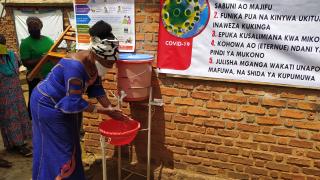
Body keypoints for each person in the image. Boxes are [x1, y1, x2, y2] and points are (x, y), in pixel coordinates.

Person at [30, 20, 130, 180]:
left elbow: (97, 88)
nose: (109, 67)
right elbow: (74, 102)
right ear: (95, 54)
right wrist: (104, 111)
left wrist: (111, 109)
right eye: (107, 63)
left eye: (112, 63)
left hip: (64, 103)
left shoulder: (93, 66)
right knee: (59, 148)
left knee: (72, 143)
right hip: (46, 104)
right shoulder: (74, 67)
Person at [0, 34, 32, 157]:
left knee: (20, 117)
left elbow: (18, 68)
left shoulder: (13, 56)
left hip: (17, 94)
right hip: (4, 97)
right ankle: (16, 144)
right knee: (9, 119)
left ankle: (20, 142)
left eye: (2, 44)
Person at [20, 16, 54, 119]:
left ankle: (46, 115)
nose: (32, 30)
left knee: (48, 97)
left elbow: (53, 54)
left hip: (50, 75)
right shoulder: (25, 43)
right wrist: (42, 58)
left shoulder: (48, 40)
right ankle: (32, 118)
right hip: (35, 77)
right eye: (30, 28)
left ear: (40, 27)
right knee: (34, 97)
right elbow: (25, 62)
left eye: (35, 27)